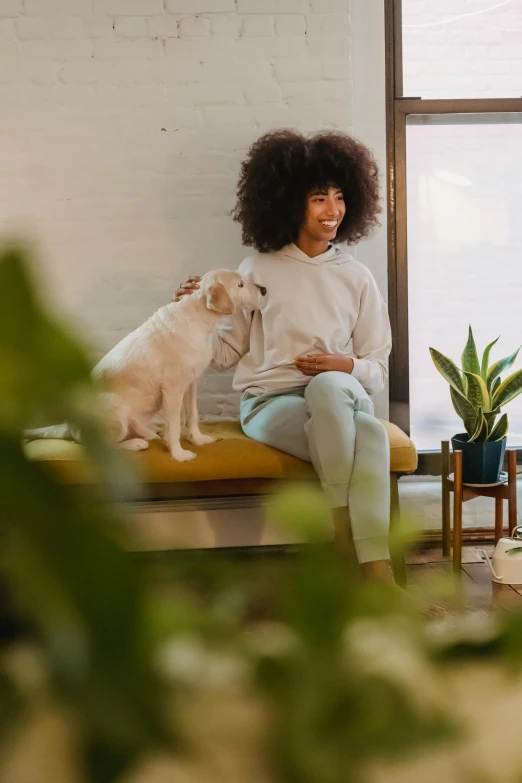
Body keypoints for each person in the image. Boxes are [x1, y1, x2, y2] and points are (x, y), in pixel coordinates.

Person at [175, 129, 393, 582]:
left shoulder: (357, 277)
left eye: (339, 197)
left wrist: (343, 364)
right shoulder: (256, 269)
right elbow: (225, 354)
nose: (332, 210)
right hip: (270, 404)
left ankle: (352, 547)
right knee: (369, 435)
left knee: (333, 389)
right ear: (291, 202)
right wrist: (195, 312)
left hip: (341, 397)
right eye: (318, 198)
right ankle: (372, 566)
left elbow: (377, 367)